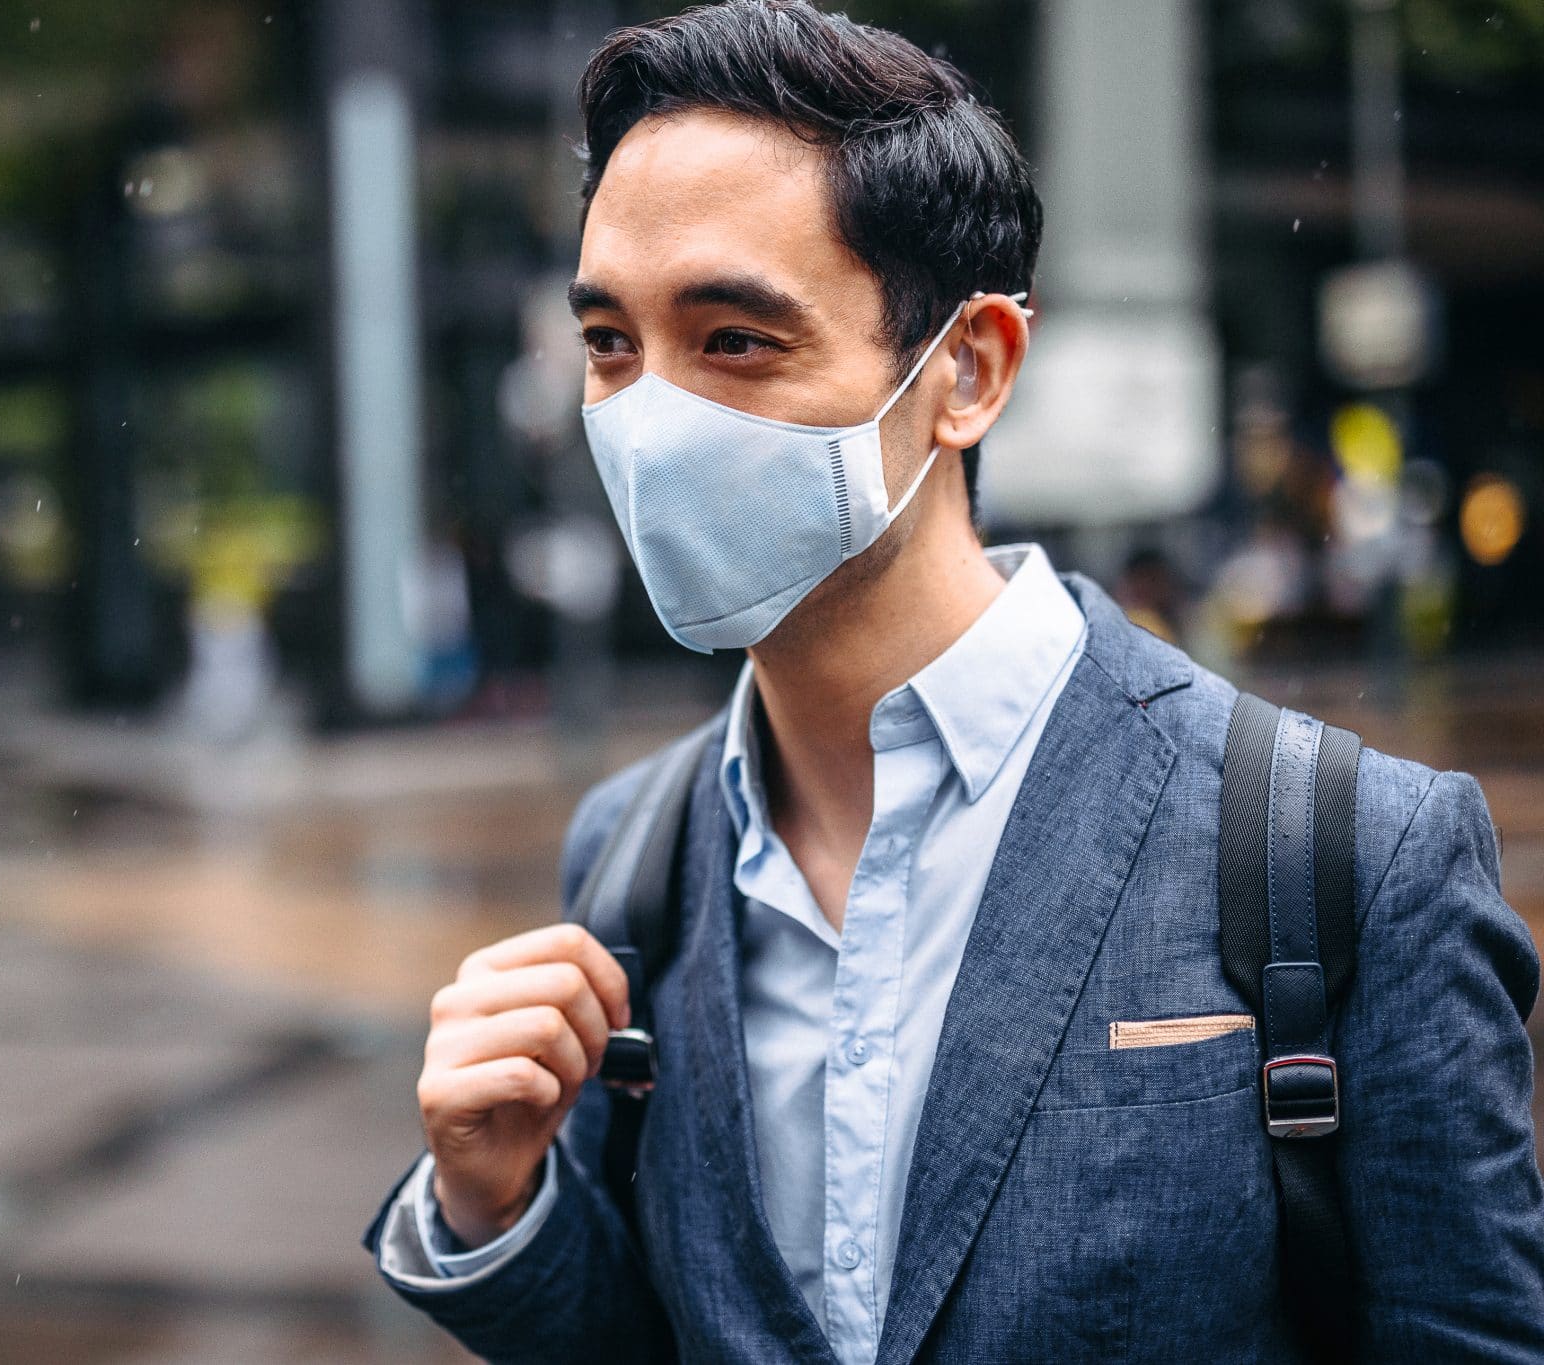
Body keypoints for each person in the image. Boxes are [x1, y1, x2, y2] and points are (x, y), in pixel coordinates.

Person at [364, 3, 1544, 1360]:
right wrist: (492, 1196)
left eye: (736, 338)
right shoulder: (632, 859)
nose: (647, 422)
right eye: (612, 343)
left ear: (969, 368)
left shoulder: (1340, 855)